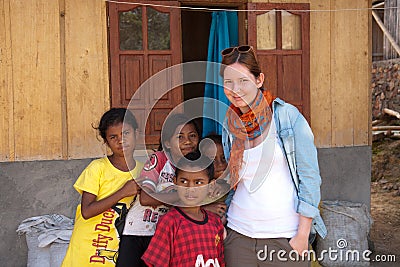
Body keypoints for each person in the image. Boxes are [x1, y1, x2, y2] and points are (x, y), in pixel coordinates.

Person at [220, 45, 327, 266]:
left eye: (243, 81)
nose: (235, 89)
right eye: (228, 82)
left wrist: (302, 235)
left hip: (285, 236)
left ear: (259, 80)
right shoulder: (230, 123)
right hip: (239, 234)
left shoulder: (287, 117)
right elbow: (234, 181)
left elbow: (310, 176)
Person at [62, 108, 143, 267]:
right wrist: (123, 192)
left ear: (136, 134)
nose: (121, 140)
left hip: (116, 249)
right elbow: (87, 211)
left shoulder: (144, 170)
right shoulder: (97, 168)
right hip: (87, 247)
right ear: (106, 141)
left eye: (126, 133)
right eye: (114, 137)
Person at [116, 113, 200, 267]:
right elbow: (146, 199)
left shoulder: (196, 167)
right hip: (138, 232)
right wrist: (182, 196)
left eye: (192, 135)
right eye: (180, 137)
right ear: (167, 143)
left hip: (164, 234)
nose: (188, 141)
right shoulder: (160, 159)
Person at [142, 151, 226, 267]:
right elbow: (156, 263)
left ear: (210, 186)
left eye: (198, 182)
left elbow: (220, 260)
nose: (190, 188)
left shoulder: (215, 222)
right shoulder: (170, 222)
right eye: (184, 181)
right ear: (175, 182)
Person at [201, 134, 229, 223]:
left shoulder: (234, 179)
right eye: (212, 160)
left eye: (224, 158)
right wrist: (204, 209)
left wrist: (223, 186)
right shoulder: (198, 184)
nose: (220, 164)